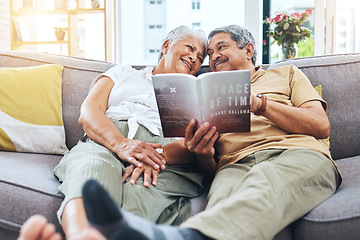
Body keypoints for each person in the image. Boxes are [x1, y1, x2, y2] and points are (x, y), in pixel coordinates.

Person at [18, 24, 341, 240]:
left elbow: (319, 125)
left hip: (284, 153)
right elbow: (90, 113)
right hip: (224, 164)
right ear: (166, 46)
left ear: (250, 50)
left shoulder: (283, 74)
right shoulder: (137, 77)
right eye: (204, 53)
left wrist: (255, 103)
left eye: (217, 50)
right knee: (98, 169)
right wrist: (131, 146)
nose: (209, 58)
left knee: (261, 183)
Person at [51, 26, 210, 240]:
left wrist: (156, 157)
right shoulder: (123, 73)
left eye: (200, 57)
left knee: (139, 193)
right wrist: (121, 144)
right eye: (190, 48)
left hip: (165, 157)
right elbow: (89, 112)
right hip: (106, 142)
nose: (194, 58)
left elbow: (194, 145)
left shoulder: (197, 95)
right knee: (92, 171)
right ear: (166, 46)